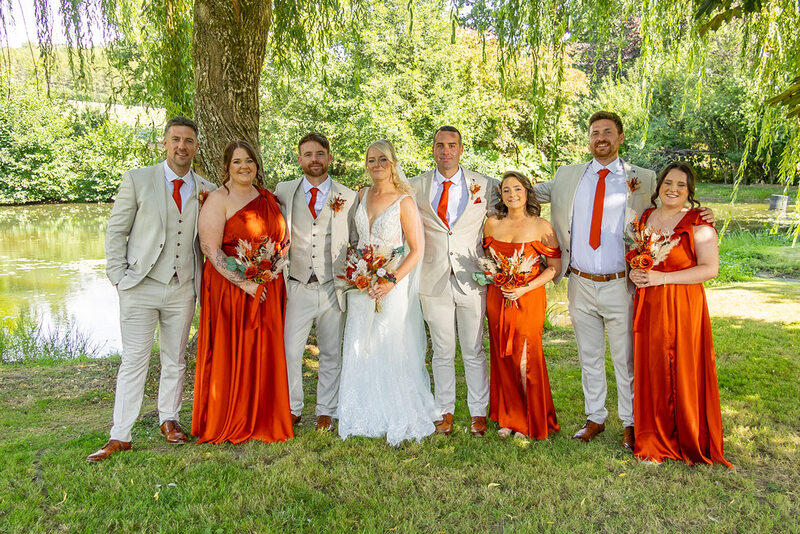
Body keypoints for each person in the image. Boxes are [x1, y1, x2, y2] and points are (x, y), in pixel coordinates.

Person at [533, 111, 714, 451]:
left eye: (608, 131)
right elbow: (520, 193)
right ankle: (594, 418)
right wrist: (476, 185)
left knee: (626, 358)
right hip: (580, 281)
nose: (600, 137)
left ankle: (630, 422)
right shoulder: (566, 176)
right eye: (595, 132)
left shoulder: (643, 178)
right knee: (588, 356)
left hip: (623, 283)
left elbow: (672, 202)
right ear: (589, 139)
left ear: (620, 138)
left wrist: (702, 212)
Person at [88, 117, 216, 462]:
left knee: (175, 358)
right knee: (134, 360)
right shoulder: (138, 179)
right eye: (175, 139)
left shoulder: (207, 189)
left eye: (188, 141)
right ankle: (121, 434)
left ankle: (169, 420)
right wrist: (118, 277)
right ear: (164, 143)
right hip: (139, 285)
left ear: (196, 147)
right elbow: (116, 231)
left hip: (182, 287)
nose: (181, 146)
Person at [628, 162, 732, 467]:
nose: (673, 189)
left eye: (681, 185)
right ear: (659, 186)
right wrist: (636, 273)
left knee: (680, 367)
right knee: (653, 368)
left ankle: (684, 437)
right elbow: (640, 258)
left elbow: (710, 269)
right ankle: (653, 439)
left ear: (689, 191)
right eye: (668, 183)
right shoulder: (646, 217)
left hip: (682, 304)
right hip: (649, 303)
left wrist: (662, 278)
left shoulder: (698, 221)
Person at [191, 140, 293, 444]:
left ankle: (264, 415)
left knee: (264, 350)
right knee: (233, 350)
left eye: (249, 160)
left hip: (267, 286)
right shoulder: (218, 200)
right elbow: (211, 249)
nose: (244, 166)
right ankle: (232, 415)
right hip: (231, 290)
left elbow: (283, 241)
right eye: (237, 161)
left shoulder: (268, 197)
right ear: (227, 166)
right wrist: (245, 283)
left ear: (256, 165)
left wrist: (271, 270)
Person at [337, 140, 438, 445]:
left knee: (389, 342)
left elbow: (416, 249)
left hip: (391, 285)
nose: (376, 165)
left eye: (383, 159)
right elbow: (355, 240)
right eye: (371, 160)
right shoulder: (361, 195)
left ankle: (395, 410)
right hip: (362, 284)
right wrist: (358, 272)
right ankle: (361, 410)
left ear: (393, 163)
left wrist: (390, 281)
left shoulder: (404, 201)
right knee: (360, 343)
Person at [409, 126, 498, 437]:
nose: (445, 150)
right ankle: (444, 410)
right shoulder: (415, 186)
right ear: (433, 149)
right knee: (442, 350)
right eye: (440, 145)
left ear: (461, 149)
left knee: (473, 349)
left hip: (471, 277)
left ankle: (478, 412)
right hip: (432, 279)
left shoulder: (485, 184)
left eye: (451, 145)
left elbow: (506, 216)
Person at [275, 133, 358, 432]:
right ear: (299, 159)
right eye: (308, 154)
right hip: (296, 283)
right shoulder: (284, 191)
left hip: (332, 286)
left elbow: (355, 240)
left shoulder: (348, 196)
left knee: (331, 352)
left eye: (320, 153)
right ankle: (292, 407)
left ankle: (326, 410)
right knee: (290, 351)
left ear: (329, 158)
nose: (314, 159)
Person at [483, 171, 561, 440]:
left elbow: (554, 268)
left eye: (517, 188)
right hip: (498, 296)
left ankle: (530, 418)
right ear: (500, 195)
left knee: (526, 357)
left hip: (528, 297)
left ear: (527, 192)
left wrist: (525, 288)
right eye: (506, 190)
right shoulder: (491, 223)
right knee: (502, 356)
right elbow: (489, 261)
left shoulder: (542, 226)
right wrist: (499, 279)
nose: (512, 194)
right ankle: (509, 417)